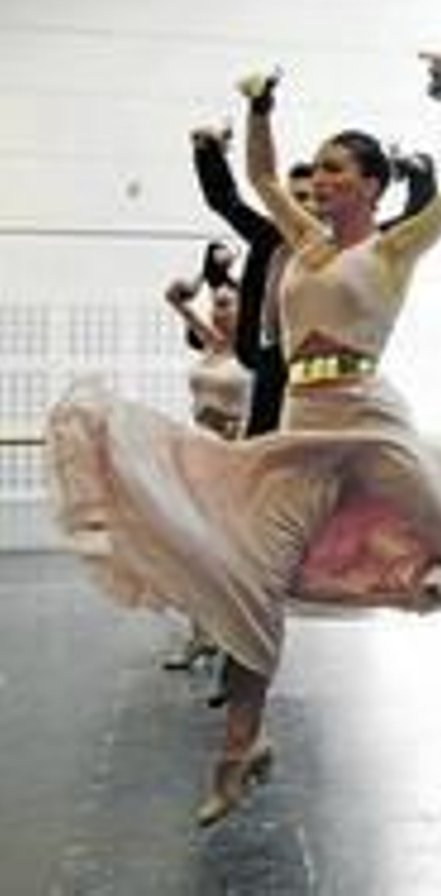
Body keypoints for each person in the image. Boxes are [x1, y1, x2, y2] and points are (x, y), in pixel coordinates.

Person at [46, 56, 441, 827]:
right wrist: (262, 107)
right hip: (305, 430)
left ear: (371, 185)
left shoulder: (395, 249)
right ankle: (241, 747)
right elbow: (265, 174)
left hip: (372, 423)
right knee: (253, 574)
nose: (324, 179)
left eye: (339, 169)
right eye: (324, 169)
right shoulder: (302, 242)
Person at [191, 121, 437, 438]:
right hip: (273, 361)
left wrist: (418, 172)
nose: (301, 205)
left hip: (332, 375)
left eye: (307, 196)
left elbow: (416, 217)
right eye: (293, 197)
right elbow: (226, 201)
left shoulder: (367, 245)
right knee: (266, 459)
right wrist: (207, 152)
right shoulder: (270, 235)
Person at [159, 269, 252, 674]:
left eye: (226, 303)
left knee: (232, 556)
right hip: (198, 457)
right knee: (194, 551)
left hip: (236, 459)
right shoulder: (212, 346)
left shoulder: (255, 355)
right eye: (215, 304)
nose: (217, 311)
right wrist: (204, 275)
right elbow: (173, 297)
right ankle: (201, 636)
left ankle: (237, 638)